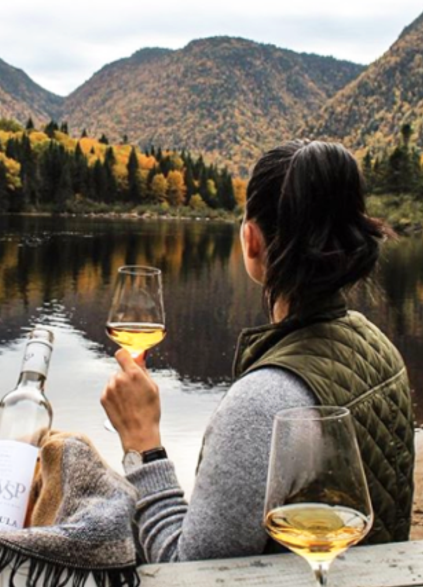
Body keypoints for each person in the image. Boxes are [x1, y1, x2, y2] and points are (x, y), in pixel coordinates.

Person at [102, 139, 415, 562]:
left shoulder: (265, 402)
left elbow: (193, 571)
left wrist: (144, 445)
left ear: (251, 240)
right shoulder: (378, 346)